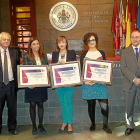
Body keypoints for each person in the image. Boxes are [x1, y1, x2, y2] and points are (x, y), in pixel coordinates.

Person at [80, 32, 112, 134]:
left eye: (93, 40)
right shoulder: (84, 54)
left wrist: (105, 79)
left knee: (104, 105)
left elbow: (106, 68)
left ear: (96, 41)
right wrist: (85, 81)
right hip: (89, 84)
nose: (91, 42)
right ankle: (93, 124)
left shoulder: (101, 53)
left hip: (101, 84)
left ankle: (105, 125)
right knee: (91, 105)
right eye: (89, 40)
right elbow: (82, 70)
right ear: (86, 42)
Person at [23, 37, 48, 135]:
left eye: (37, 43)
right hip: (31, 85)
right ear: (30, 46)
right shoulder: (26, 56)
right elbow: (24, 71)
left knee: (41, 104)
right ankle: (34, 125)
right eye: (34, 44)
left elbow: (46, 68)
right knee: (32, 104)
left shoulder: (44, 56)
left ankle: (40, 125)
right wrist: (28, 83)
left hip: (41, 84)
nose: (36, 46)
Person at [51, 36, 76, 134]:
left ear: (66, 43)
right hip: (58, 83)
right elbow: (53, 67)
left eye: (63, 42)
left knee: (68, 102)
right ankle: (63, 123)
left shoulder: (71, 53)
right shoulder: (54, 54)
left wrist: (71, 81)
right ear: (57, 44)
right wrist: (57, 63)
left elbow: (75, 68)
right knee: (62, 103)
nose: (61, 44)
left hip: (69, 83)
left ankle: (69, 123)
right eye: (59, 42)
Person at [121, 30, 140, 136]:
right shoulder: (125, 51)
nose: (135, 39)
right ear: (130, 38)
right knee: (129, 107)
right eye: (132, 37)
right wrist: (134, 79)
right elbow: (123, 68)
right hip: (129, 84)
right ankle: (129, 126)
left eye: (137, 37)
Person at [0, 32, 19, 135]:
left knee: (12, 108)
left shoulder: (14, 52)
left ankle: (12, 127)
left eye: (8, 39)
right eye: (4, 39)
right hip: (0, 85)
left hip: (11, 84)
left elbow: (17, 67)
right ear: (0, 40)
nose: (6, 41)